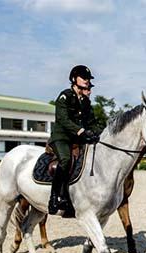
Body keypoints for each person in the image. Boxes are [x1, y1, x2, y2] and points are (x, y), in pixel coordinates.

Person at [48, 65, 100, 215]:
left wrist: (99, 134)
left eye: (88, 78)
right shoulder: (65, 96)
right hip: (62, 137)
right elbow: (62, 119)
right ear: (73, 79)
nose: (87, 81)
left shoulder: (85, 101)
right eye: (84, 77)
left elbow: (92, 123)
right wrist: (81, 131)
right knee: (65, 160)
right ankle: (54, 197)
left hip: (78, 138)